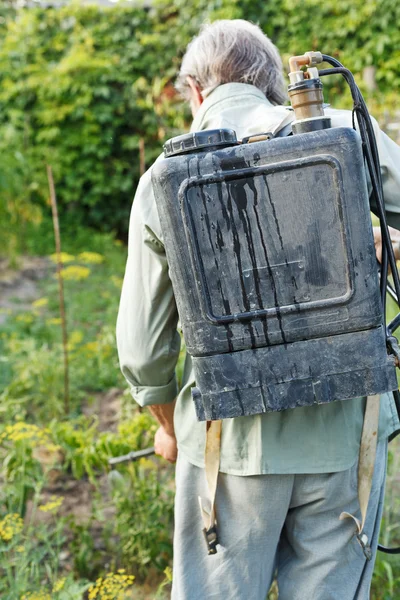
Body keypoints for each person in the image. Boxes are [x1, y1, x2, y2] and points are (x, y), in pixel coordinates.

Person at [116, 20, 400, 600]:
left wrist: (167, 426)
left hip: (228, 447)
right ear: (275, 84)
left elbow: (143, 351)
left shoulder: (164, 178)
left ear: (194, 91)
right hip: (349, 437)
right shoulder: (344, 131)